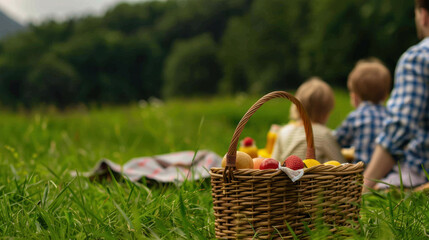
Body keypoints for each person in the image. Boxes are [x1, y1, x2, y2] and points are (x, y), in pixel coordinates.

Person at [363, 0, 429, 190]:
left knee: (381, 189)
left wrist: (365, 186)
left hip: (419, 175)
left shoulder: (418, 58)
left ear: (423, 15)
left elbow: (400, 129)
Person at [272, 77, 346, 164]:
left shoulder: (283, 131)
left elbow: (274, 162)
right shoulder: (324, 134)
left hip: (286, 177)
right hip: (312, 177)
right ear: (326, 112)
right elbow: (341, 164)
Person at [334, 59, 391, 165]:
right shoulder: (390, 117)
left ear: (354, 97)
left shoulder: (356, 117)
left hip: (361, 174)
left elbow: (337, 140)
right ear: (385, 96)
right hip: (387, 173)